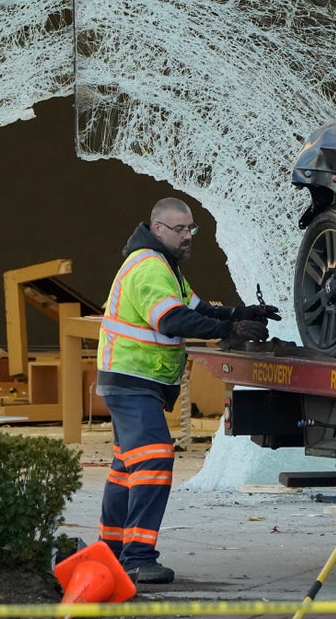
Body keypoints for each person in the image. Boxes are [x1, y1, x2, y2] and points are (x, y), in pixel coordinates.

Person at [95, 197, 280, 584]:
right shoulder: (148, 266)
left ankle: (109, 552)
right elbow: (172, 319)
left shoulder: (166, 267)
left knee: (125, 466)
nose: (188, 237)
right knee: (154, 460)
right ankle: (138, 557)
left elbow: (198, 308)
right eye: (179, 229)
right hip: (134, 380)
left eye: (191, 229)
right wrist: (229, 332)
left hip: (132, 380)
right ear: (158, 228)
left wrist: (238, 313)